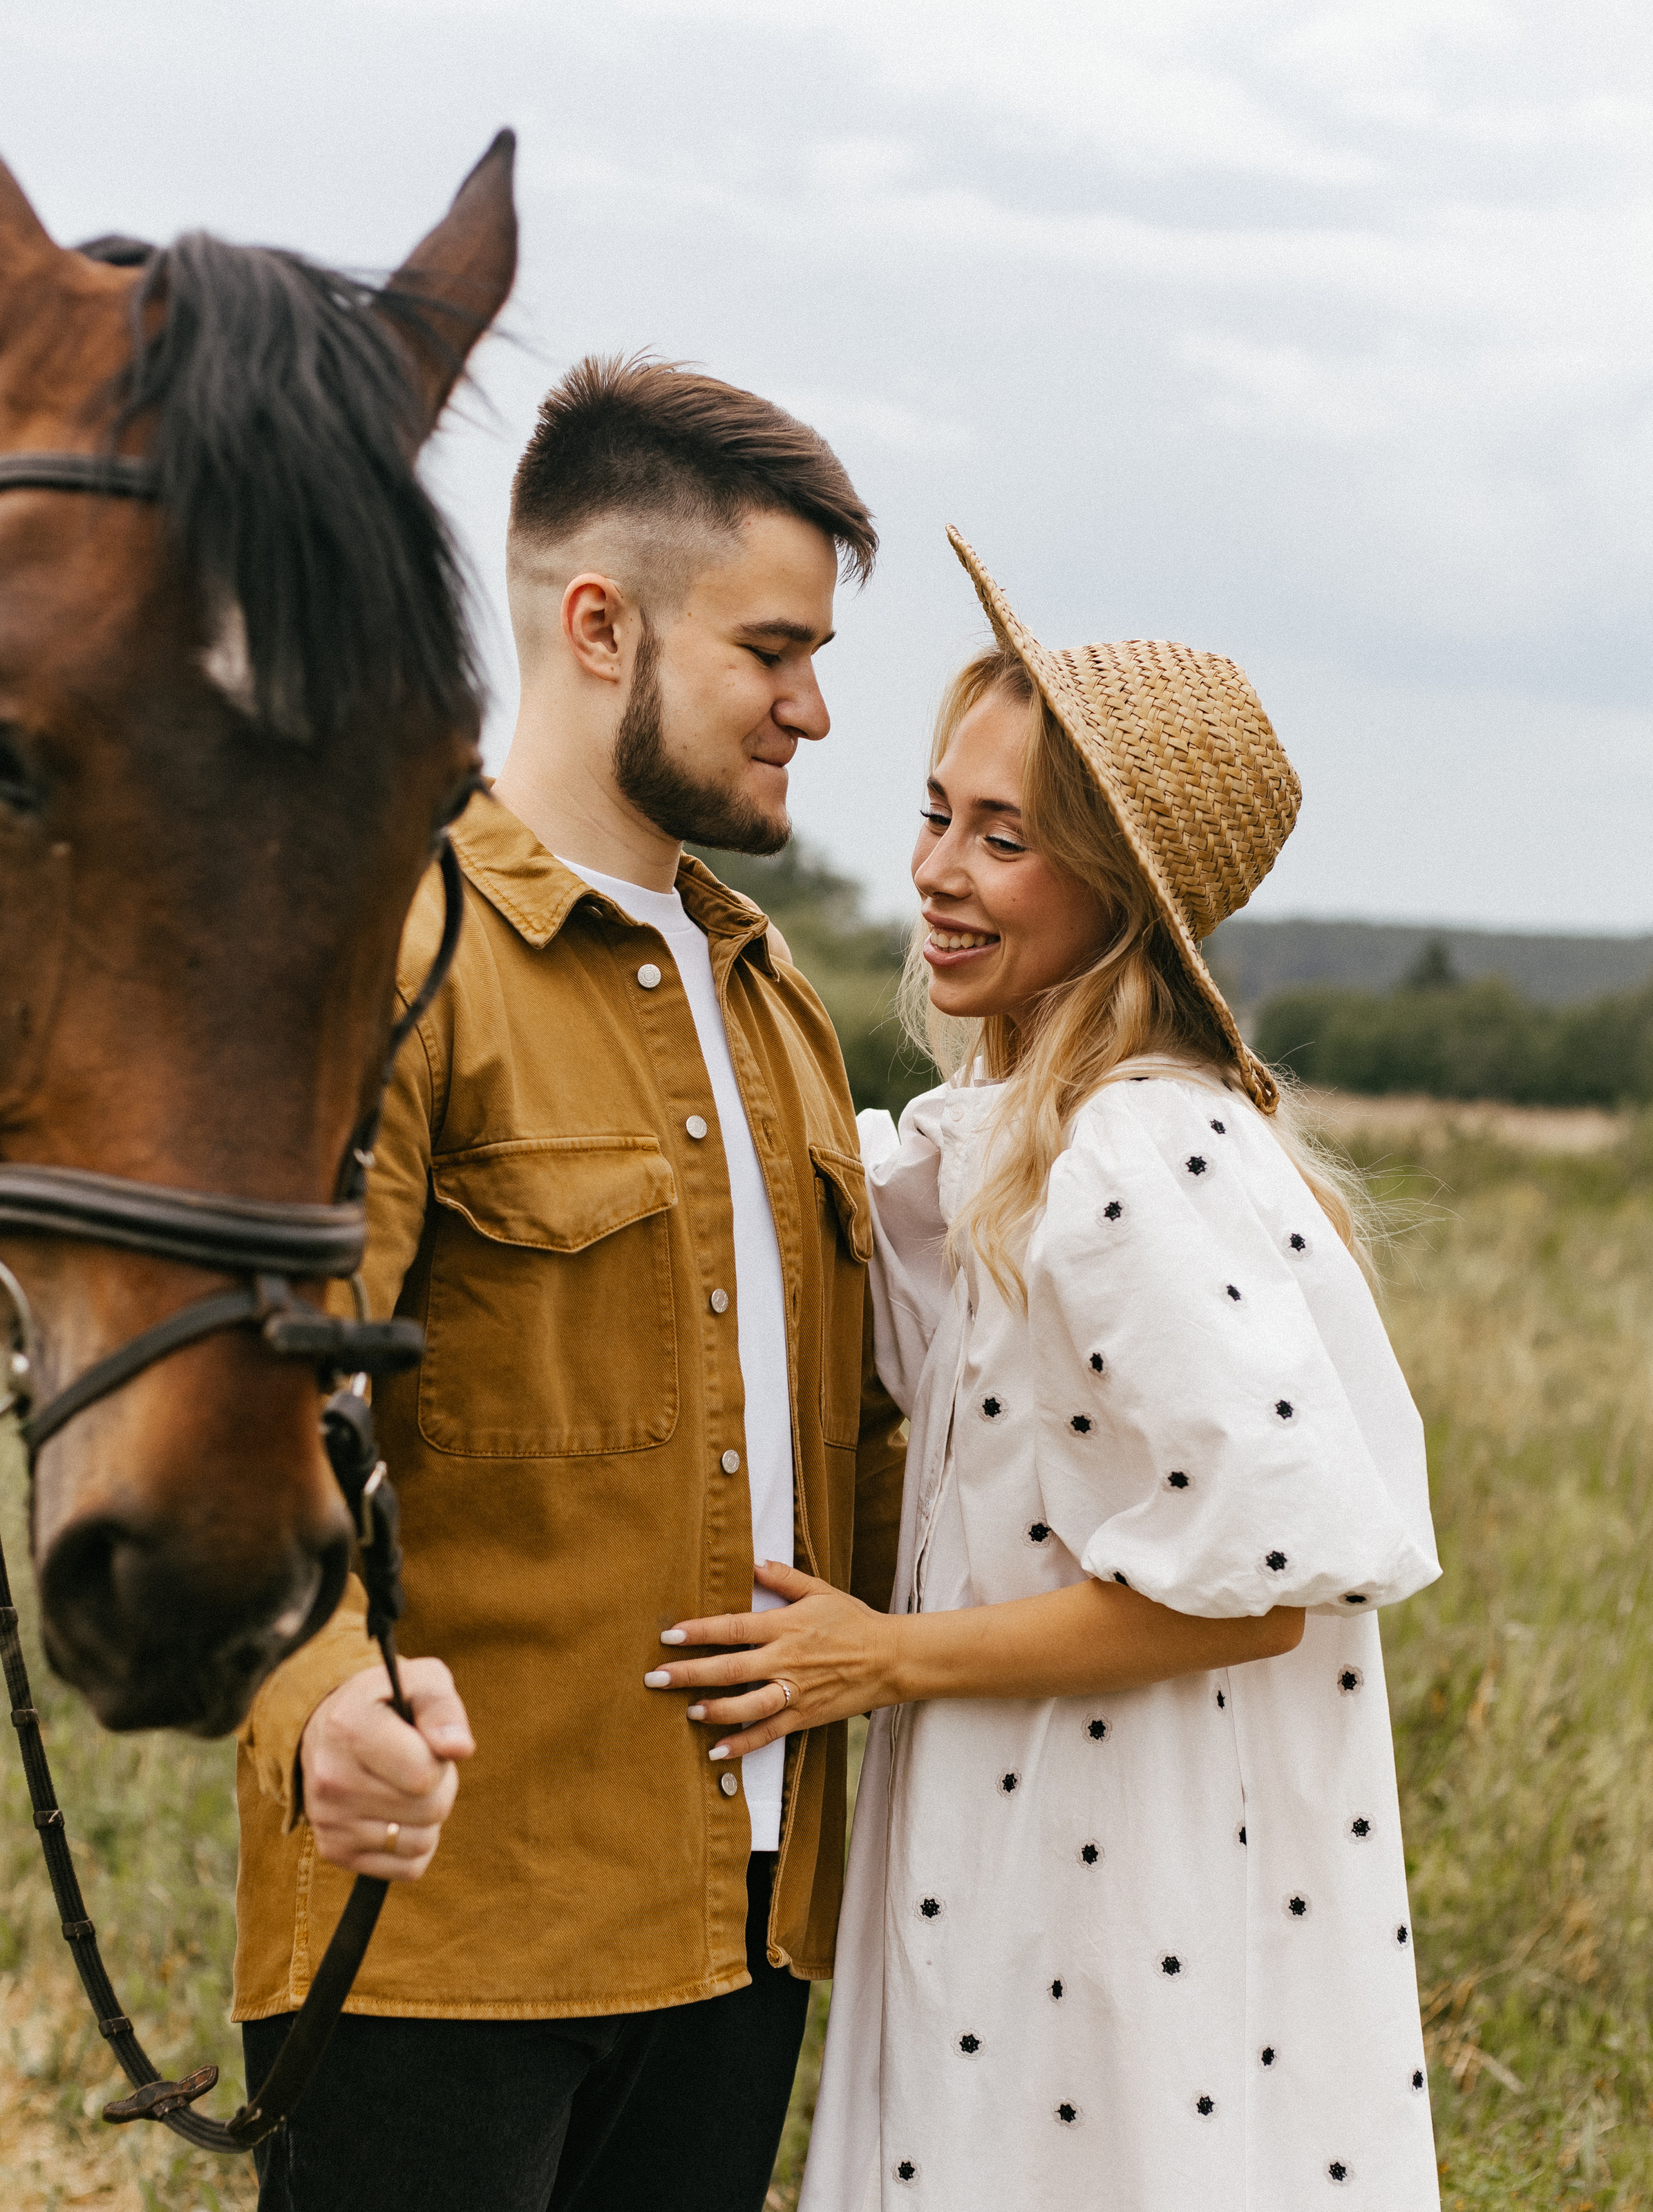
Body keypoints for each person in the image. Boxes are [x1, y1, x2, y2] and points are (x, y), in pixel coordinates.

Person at [645, 528, 1444, 2208]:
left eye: (1003, 839)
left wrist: (882, 1656)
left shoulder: (1130, 1156)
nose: (938, 869)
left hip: (1103, 1865)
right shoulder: (1025, 1146)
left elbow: (1255, 1588)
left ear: (1116, 898)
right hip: (1019, 1836)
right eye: (939, 811)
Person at [231, 357, 907, 2212]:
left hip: (746, 1926)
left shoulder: (775, 998)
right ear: (600, 624)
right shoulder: (393, 945)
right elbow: (257, 1418)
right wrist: (320, 1703)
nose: (817, 707)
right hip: (444, 1932)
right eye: (773, 649)